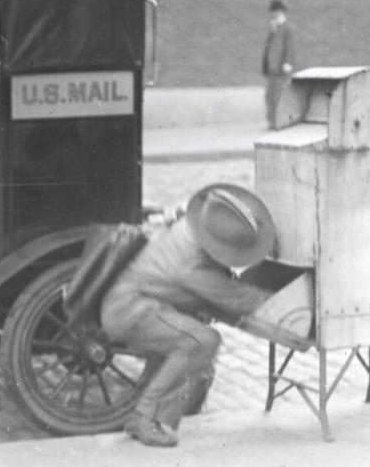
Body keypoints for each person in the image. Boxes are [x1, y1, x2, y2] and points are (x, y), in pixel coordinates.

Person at [99, 184, 278, 447]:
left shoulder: (189, 228)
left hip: (137, 304)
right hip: (131, 310)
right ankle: (145, 418)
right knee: (201, 341)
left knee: (185, 342)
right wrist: (275, 301)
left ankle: (144, 411)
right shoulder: (191, 265)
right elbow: (235, 298)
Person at [261, 0, 295, 130]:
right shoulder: (273, 28)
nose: (273, 14)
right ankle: (272, 122)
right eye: (272, 12)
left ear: (281, 12)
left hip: (281, 70)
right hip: (272, 70)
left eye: (276, 12)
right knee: (269, 95)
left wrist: (287, 63)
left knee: (279, 96)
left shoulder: (287, 28)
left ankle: (279, 122)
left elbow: (290, 47)